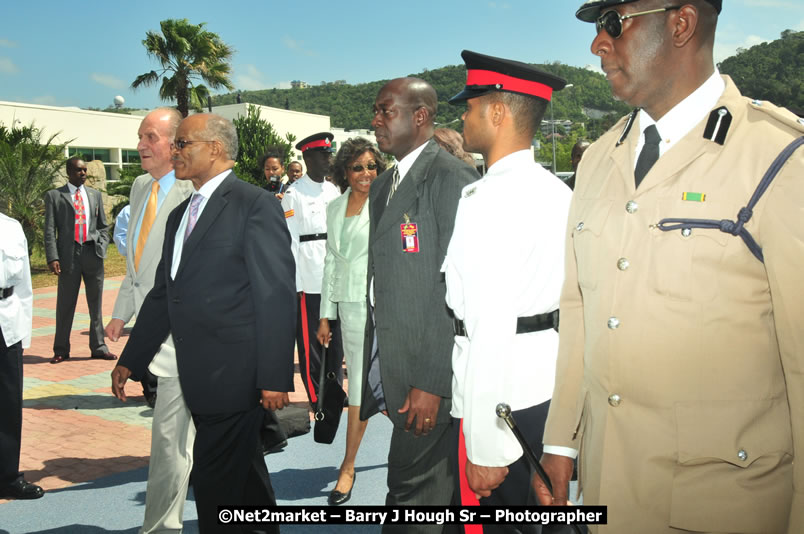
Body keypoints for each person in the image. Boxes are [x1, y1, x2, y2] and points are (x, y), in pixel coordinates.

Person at [537, 2, 804, 533]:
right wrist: (560, 441)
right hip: (609, 488)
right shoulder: (596, 160)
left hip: (721, 502)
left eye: (614, 23)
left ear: (681, 23)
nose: (597, 44)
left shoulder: (778, 158)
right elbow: (580, 311)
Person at [111, 113, 296, 534]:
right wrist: (132, 358)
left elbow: (274, 294)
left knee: (215, 488)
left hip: (235, 376)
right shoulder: (181, 214)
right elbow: (163, 294)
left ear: (215, 148)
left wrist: (274, 376)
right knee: (244, 478)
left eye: (182, 144)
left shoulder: (254, 204)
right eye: (174, 144)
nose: (175, 152)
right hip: (196, 375)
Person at [444, 50, 571, 532]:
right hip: (543, 394)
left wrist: (486, 445)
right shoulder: (554, 190)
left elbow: (490, 328)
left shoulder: (488, 200)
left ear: (497, 112)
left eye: (471, 105)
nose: (463, 115)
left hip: (501, 405)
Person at [360, 77, 477, 532]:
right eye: (376, 111)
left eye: (385, 111)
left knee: (410, 497)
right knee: (435, 495)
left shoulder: (451, 177)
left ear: (421, 117)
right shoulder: (384, 183)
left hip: (428, 376)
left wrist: (431, 381)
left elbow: (454, 290)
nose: (375, 120)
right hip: (396, 365)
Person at [104, 107, 194, 534]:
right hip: (149, 328)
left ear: (177, 143)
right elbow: (137, 263)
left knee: (170, 437)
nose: (141, 145)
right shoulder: (140, 186)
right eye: (140, 137)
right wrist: (121, 314)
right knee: (176, 437)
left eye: (150, 138)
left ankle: (161, 527)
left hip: (182, 332)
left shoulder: (195, 193)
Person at [316, 137, 387, 506]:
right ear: (345, 171)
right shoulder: (335, 207)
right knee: (371, 383)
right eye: (358, 167)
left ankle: (348, 466)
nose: (366, 173)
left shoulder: (385, 203)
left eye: (372, 166)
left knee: (363, 384)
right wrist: (326, 314)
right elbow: (331, 260)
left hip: (377, 305)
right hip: (345, 304)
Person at [281, 132, 344, 406]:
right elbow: (290, 240)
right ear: (307, 157)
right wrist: (295, 284)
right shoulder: (294, 194)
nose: (328, 159)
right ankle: (317, 395)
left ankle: (335, 391)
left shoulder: (333, 190)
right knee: (311, 344)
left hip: (334, 276)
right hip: (308, 275)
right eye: (323, 155)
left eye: (329, 154)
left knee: (335, 340)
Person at [44, 156, 114, 363]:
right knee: (65, 304)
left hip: (92, 254)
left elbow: (103, 225)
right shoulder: (55, 196)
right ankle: (61, 349)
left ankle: (99, 347)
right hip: (68, 257)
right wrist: (52, 257)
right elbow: (49, 229)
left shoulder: (94, 195)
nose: (83, 173)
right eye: (78, 171)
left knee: (96, 304)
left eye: (84, 170)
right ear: (68, 172)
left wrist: (101, 244)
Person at [0, 214, 43, 501]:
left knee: (8, 404)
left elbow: (25, 286)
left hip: (7, 322)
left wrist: (23, 334)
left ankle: (7, 477)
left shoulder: (11, 227)